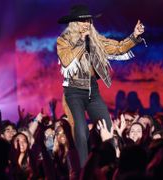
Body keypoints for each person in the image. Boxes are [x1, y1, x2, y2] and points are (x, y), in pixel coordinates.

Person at [57, 4, 145, 166]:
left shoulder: (96, 40)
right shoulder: (63, 41)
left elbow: (118, 48)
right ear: (74, 23)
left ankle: (110, 165)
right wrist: (81, 43)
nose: (86, 24)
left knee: (107, 126)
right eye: (82, 21)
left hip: (92, 90)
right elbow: (66, 60)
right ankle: (84, 169)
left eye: (88, 20)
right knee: (82, 131)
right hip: (73, 90)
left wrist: (134, 36)